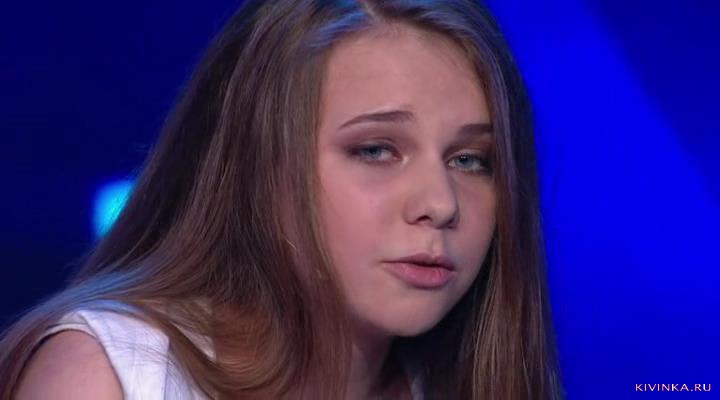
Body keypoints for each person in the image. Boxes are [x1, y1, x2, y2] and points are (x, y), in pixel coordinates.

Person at [0, 0, 563, 399]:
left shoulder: (470, 384)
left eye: (471, 160)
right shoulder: (112, 375)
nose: (441, 204)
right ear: (260, 163)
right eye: (375, 150)